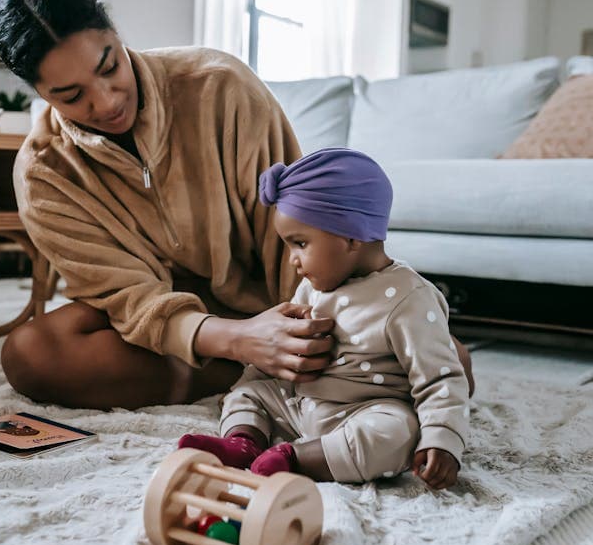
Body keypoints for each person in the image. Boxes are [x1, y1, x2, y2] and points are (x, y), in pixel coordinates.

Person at [0, 0, 473, 412]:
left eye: (109, 67)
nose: (106, 101)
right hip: (176, 326)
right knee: (31, 354)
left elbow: (291, 231)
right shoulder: (44, 174)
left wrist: (310, 328)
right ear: (41, 94)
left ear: (117, 36)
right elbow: (127, 298)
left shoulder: (218, 87)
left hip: (276, 301)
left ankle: (273, 371)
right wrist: (234, 339)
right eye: (71, 96)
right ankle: (257, 372)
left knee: (450, 363)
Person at [179, 148, 472, 489]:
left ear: (350, 237)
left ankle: (296, 460)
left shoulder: (409, 298)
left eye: (300, 244)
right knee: (249, 393)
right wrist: (248, 385)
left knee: (399, 433)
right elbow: (284, 351)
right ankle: (242, 444)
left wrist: (442, 440)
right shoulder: (312, 289)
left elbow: (441, 379)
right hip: (302, 405)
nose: (293, 260)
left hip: (368, 411)